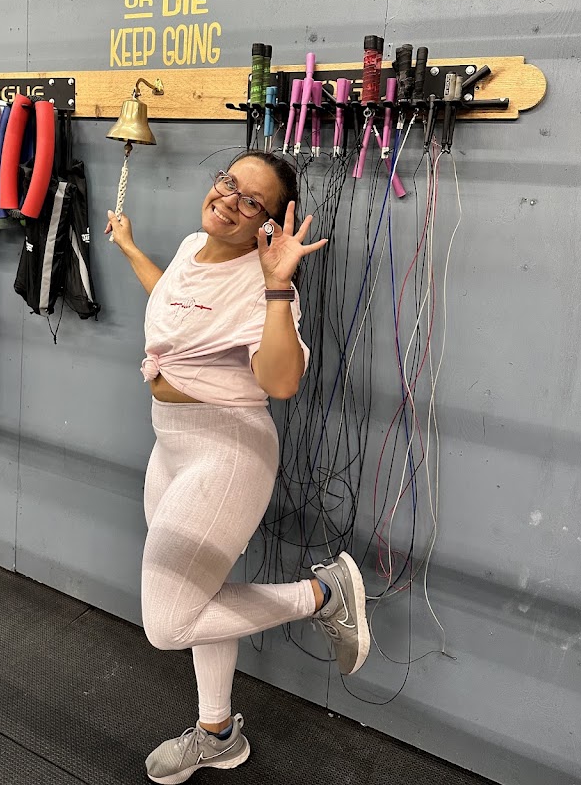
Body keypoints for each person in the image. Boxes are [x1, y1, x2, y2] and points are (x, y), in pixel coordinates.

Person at [105, 151, 370, 784]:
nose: (229, 199)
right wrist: (131, 248)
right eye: (229, 183)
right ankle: (218, 734)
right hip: (171, 444)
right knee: (200, 595)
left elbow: (280, 381)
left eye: (251, 201)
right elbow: (172, 303)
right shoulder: (191, 247)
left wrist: (278, 287)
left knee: (169, 622)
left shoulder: (264, 283)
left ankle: (325, 594)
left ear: (268, 224)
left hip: (227, 453)